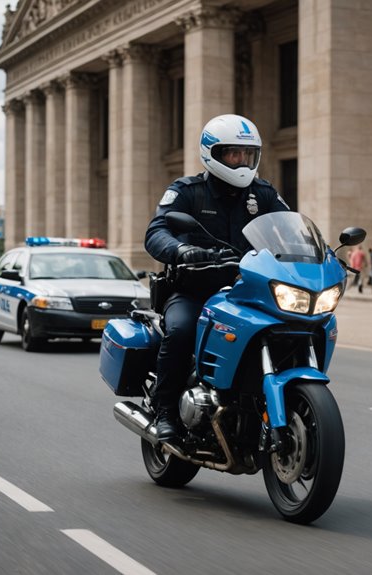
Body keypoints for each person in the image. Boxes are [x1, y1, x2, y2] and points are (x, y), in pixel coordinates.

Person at [144, 113, 289, 442]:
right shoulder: (188, 191)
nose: (241, 161)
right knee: (181, 331)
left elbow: (288, 225)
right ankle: (165, 410)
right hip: (195, 290)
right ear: (213, 153)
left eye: (247, 155)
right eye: (233, 153)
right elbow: (157, 231)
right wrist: (180, 250)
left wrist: (317, 251)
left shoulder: (263, 194)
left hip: (248, 291)